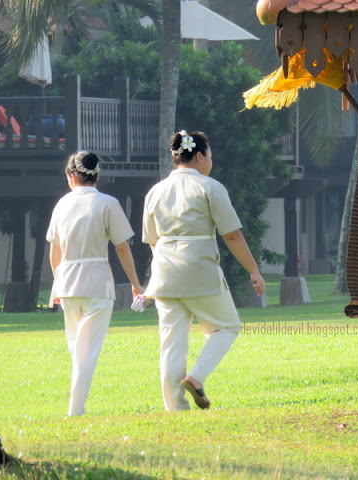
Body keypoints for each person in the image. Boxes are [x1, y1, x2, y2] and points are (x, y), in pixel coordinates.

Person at [142, 130, 265, 411]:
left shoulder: (155, 191)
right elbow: (232, 235)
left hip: (163, 271)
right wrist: (254, 271)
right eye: (209, 155)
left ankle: (175, 408)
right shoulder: (210, 187)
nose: (211, 161)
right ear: (199, 156)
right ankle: (196, 377)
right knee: (227, 326)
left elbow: (152, 240)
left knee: (171, 344)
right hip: (199, 268)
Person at [47, 150, 145, 416]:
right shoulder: (108, 203)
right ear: (97, 176)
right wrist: (136, 284)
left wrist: (58, 284)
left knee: (76, 347)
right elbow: (122, 247)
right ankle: (75, 410)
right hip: (98, 283)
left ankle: (75, 408)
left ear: (71, 176)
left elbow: (55, 252)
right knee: (86, 351)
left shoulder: (61, 205)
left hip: (68, 283)